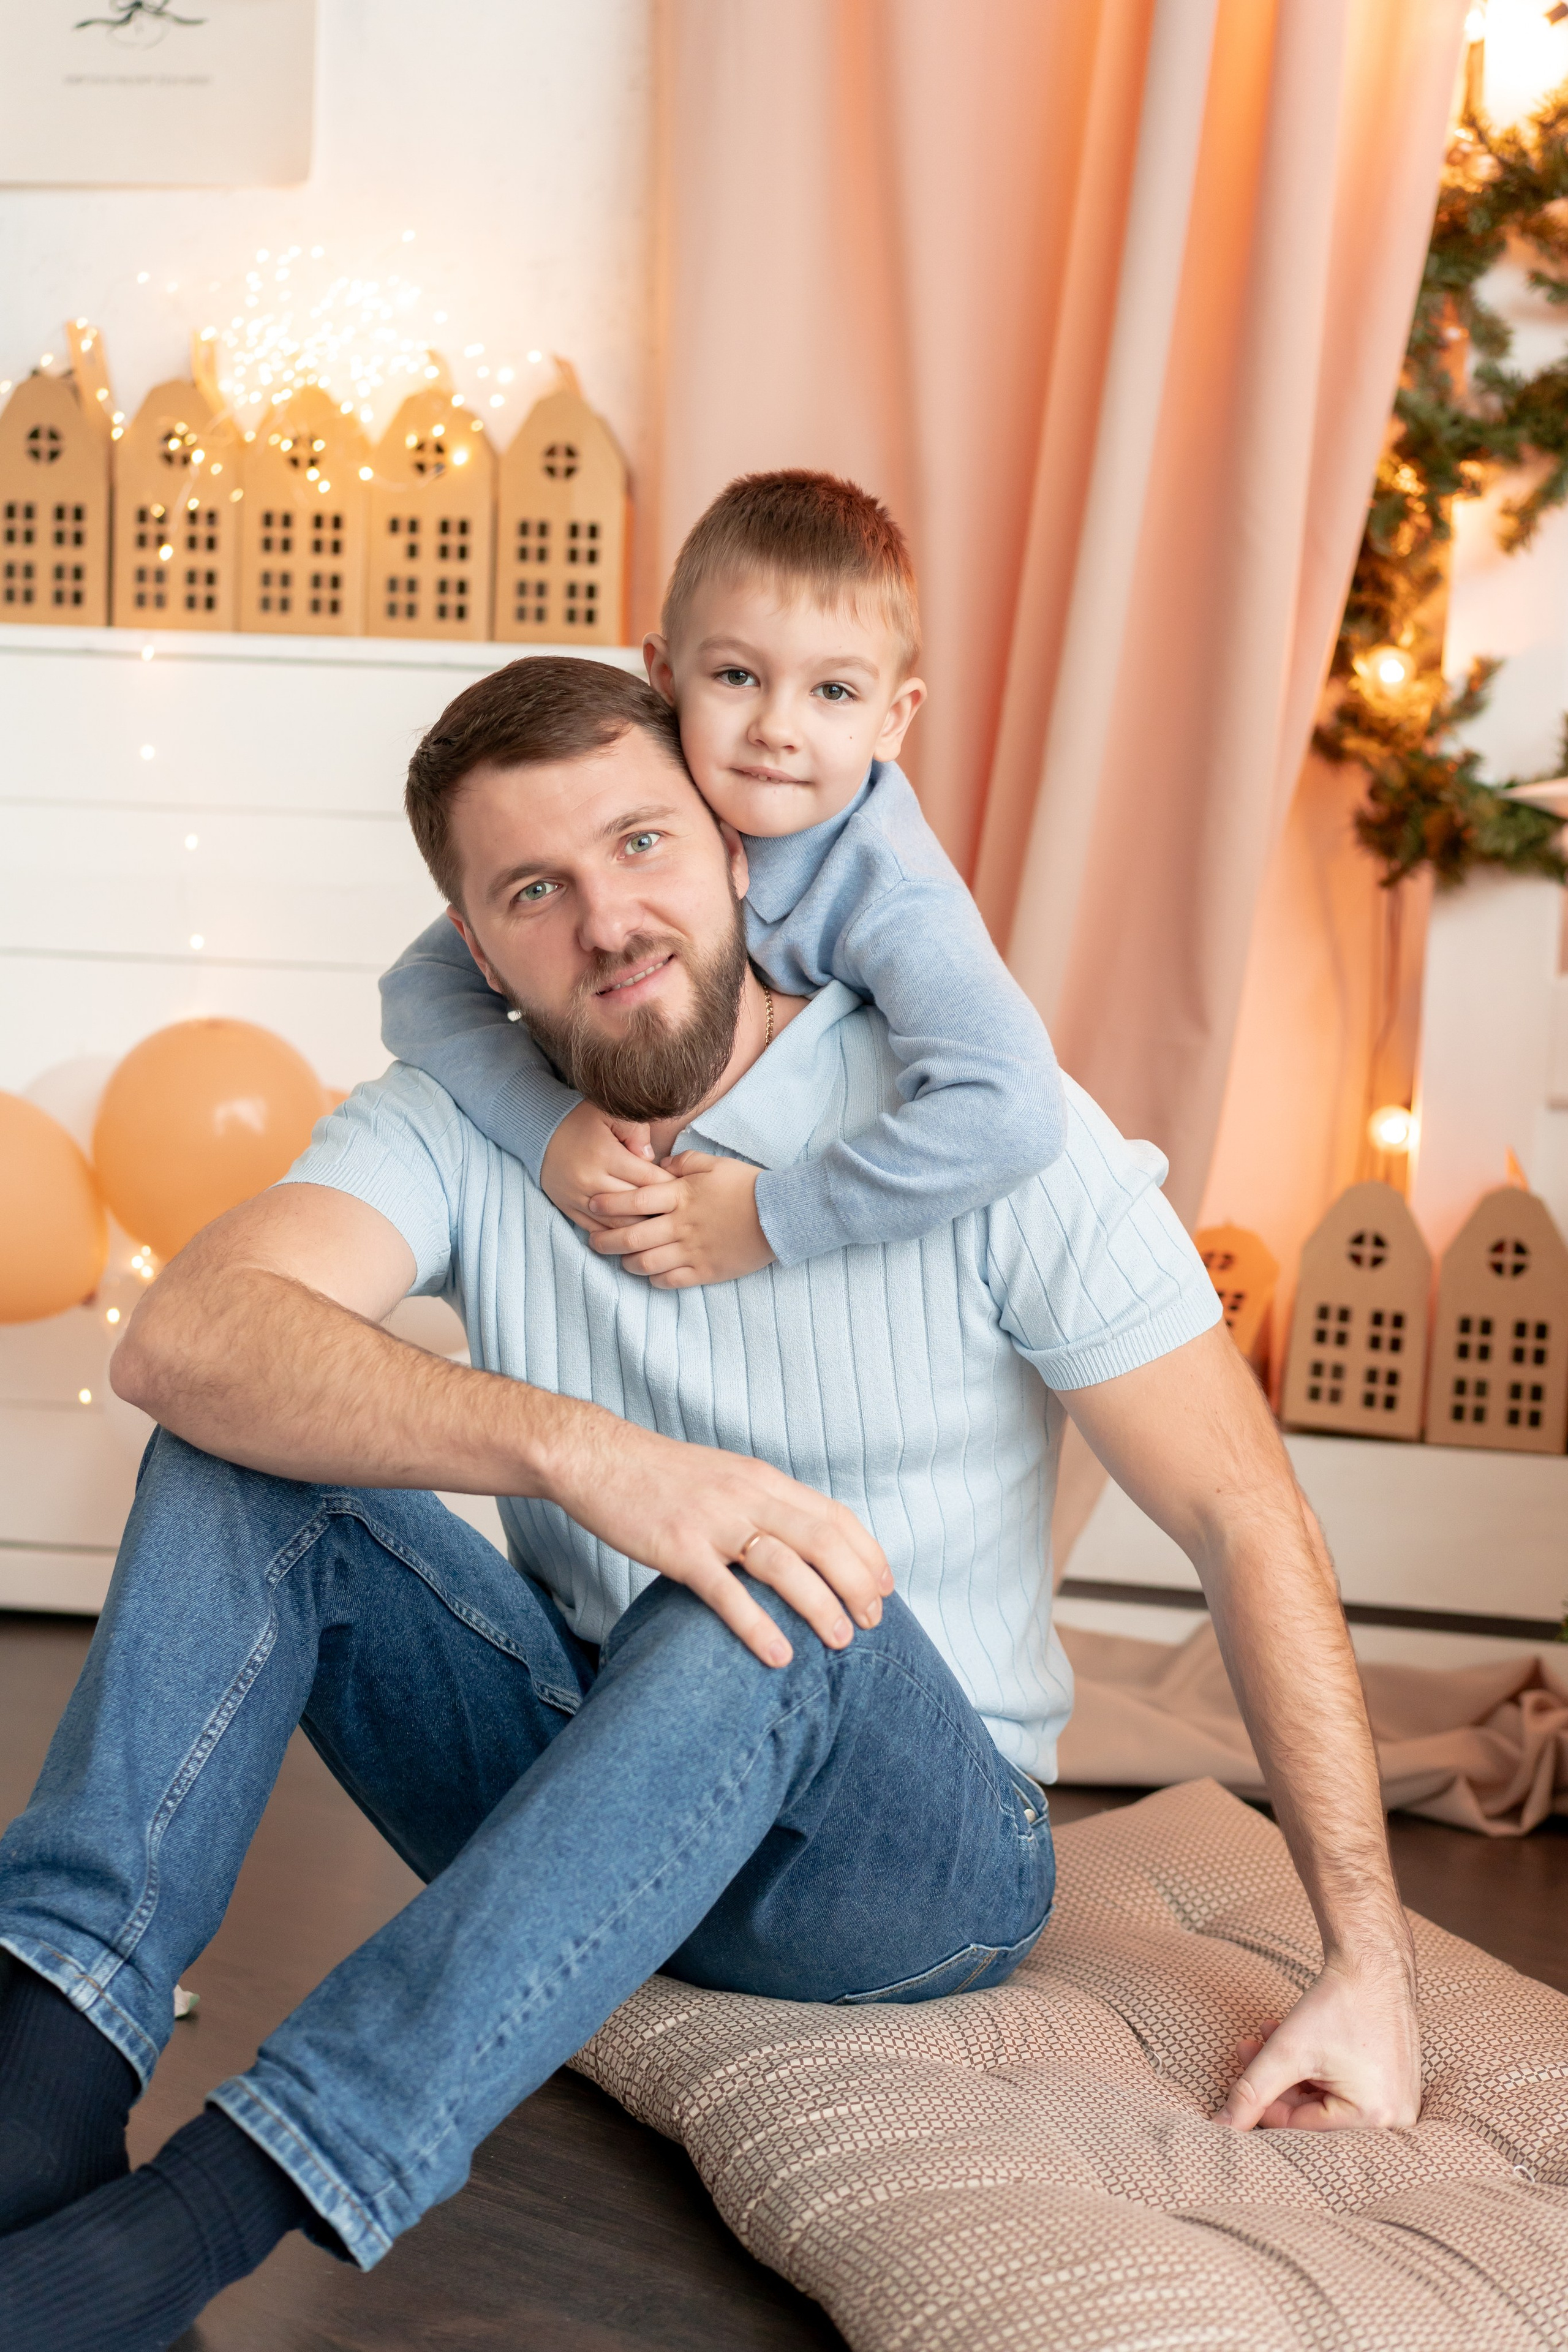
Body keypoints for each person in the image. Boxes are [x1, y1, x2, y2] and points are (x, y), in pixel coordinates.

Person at [0, 660, 1420, 2352]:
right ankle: (40, 2097)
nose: (610, 920)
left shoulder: (982, 1126)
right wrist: (594, 1457)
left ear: (739, 844)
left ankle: (197, 2225)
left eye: (643, 843)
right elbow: (190, 1339)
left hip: (905, 1861)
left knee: (768, 1587)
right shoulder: (467, 1124)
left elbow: (1246, 1514)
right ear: (477, 947)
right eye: (538, 889)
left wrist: (1372, 1959)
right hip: (593, 1754)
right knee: (242, 1442)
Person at [380, 469, 1067, 1289]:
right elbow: (420, 986)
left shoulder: (891, 892)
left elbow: (1013, 1112)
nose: (778, 729)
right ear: (667, 683)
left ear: (892, 719)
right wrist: (547, 1126)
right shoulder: (649, 809)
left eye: (834, 691)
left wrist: (775, 1217)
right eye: (738, 677)